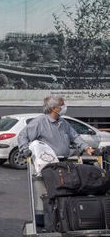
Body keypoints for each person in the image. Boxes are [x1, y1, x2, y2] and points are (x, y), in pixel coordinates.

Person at [18, 95, 94, 229]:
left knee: (63, 192)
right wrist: (25, 150)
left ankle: (61, 222)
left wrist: (86, 148)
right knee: (46, 194)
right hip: (47, 166)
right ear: (54, 108)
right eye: (62, 105)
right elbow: (23, 136)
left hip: (63, 164)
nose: (65, 107)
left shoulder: (63, 123)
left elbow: (74, 136)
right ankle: (43, 224)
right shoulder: (40, 122)